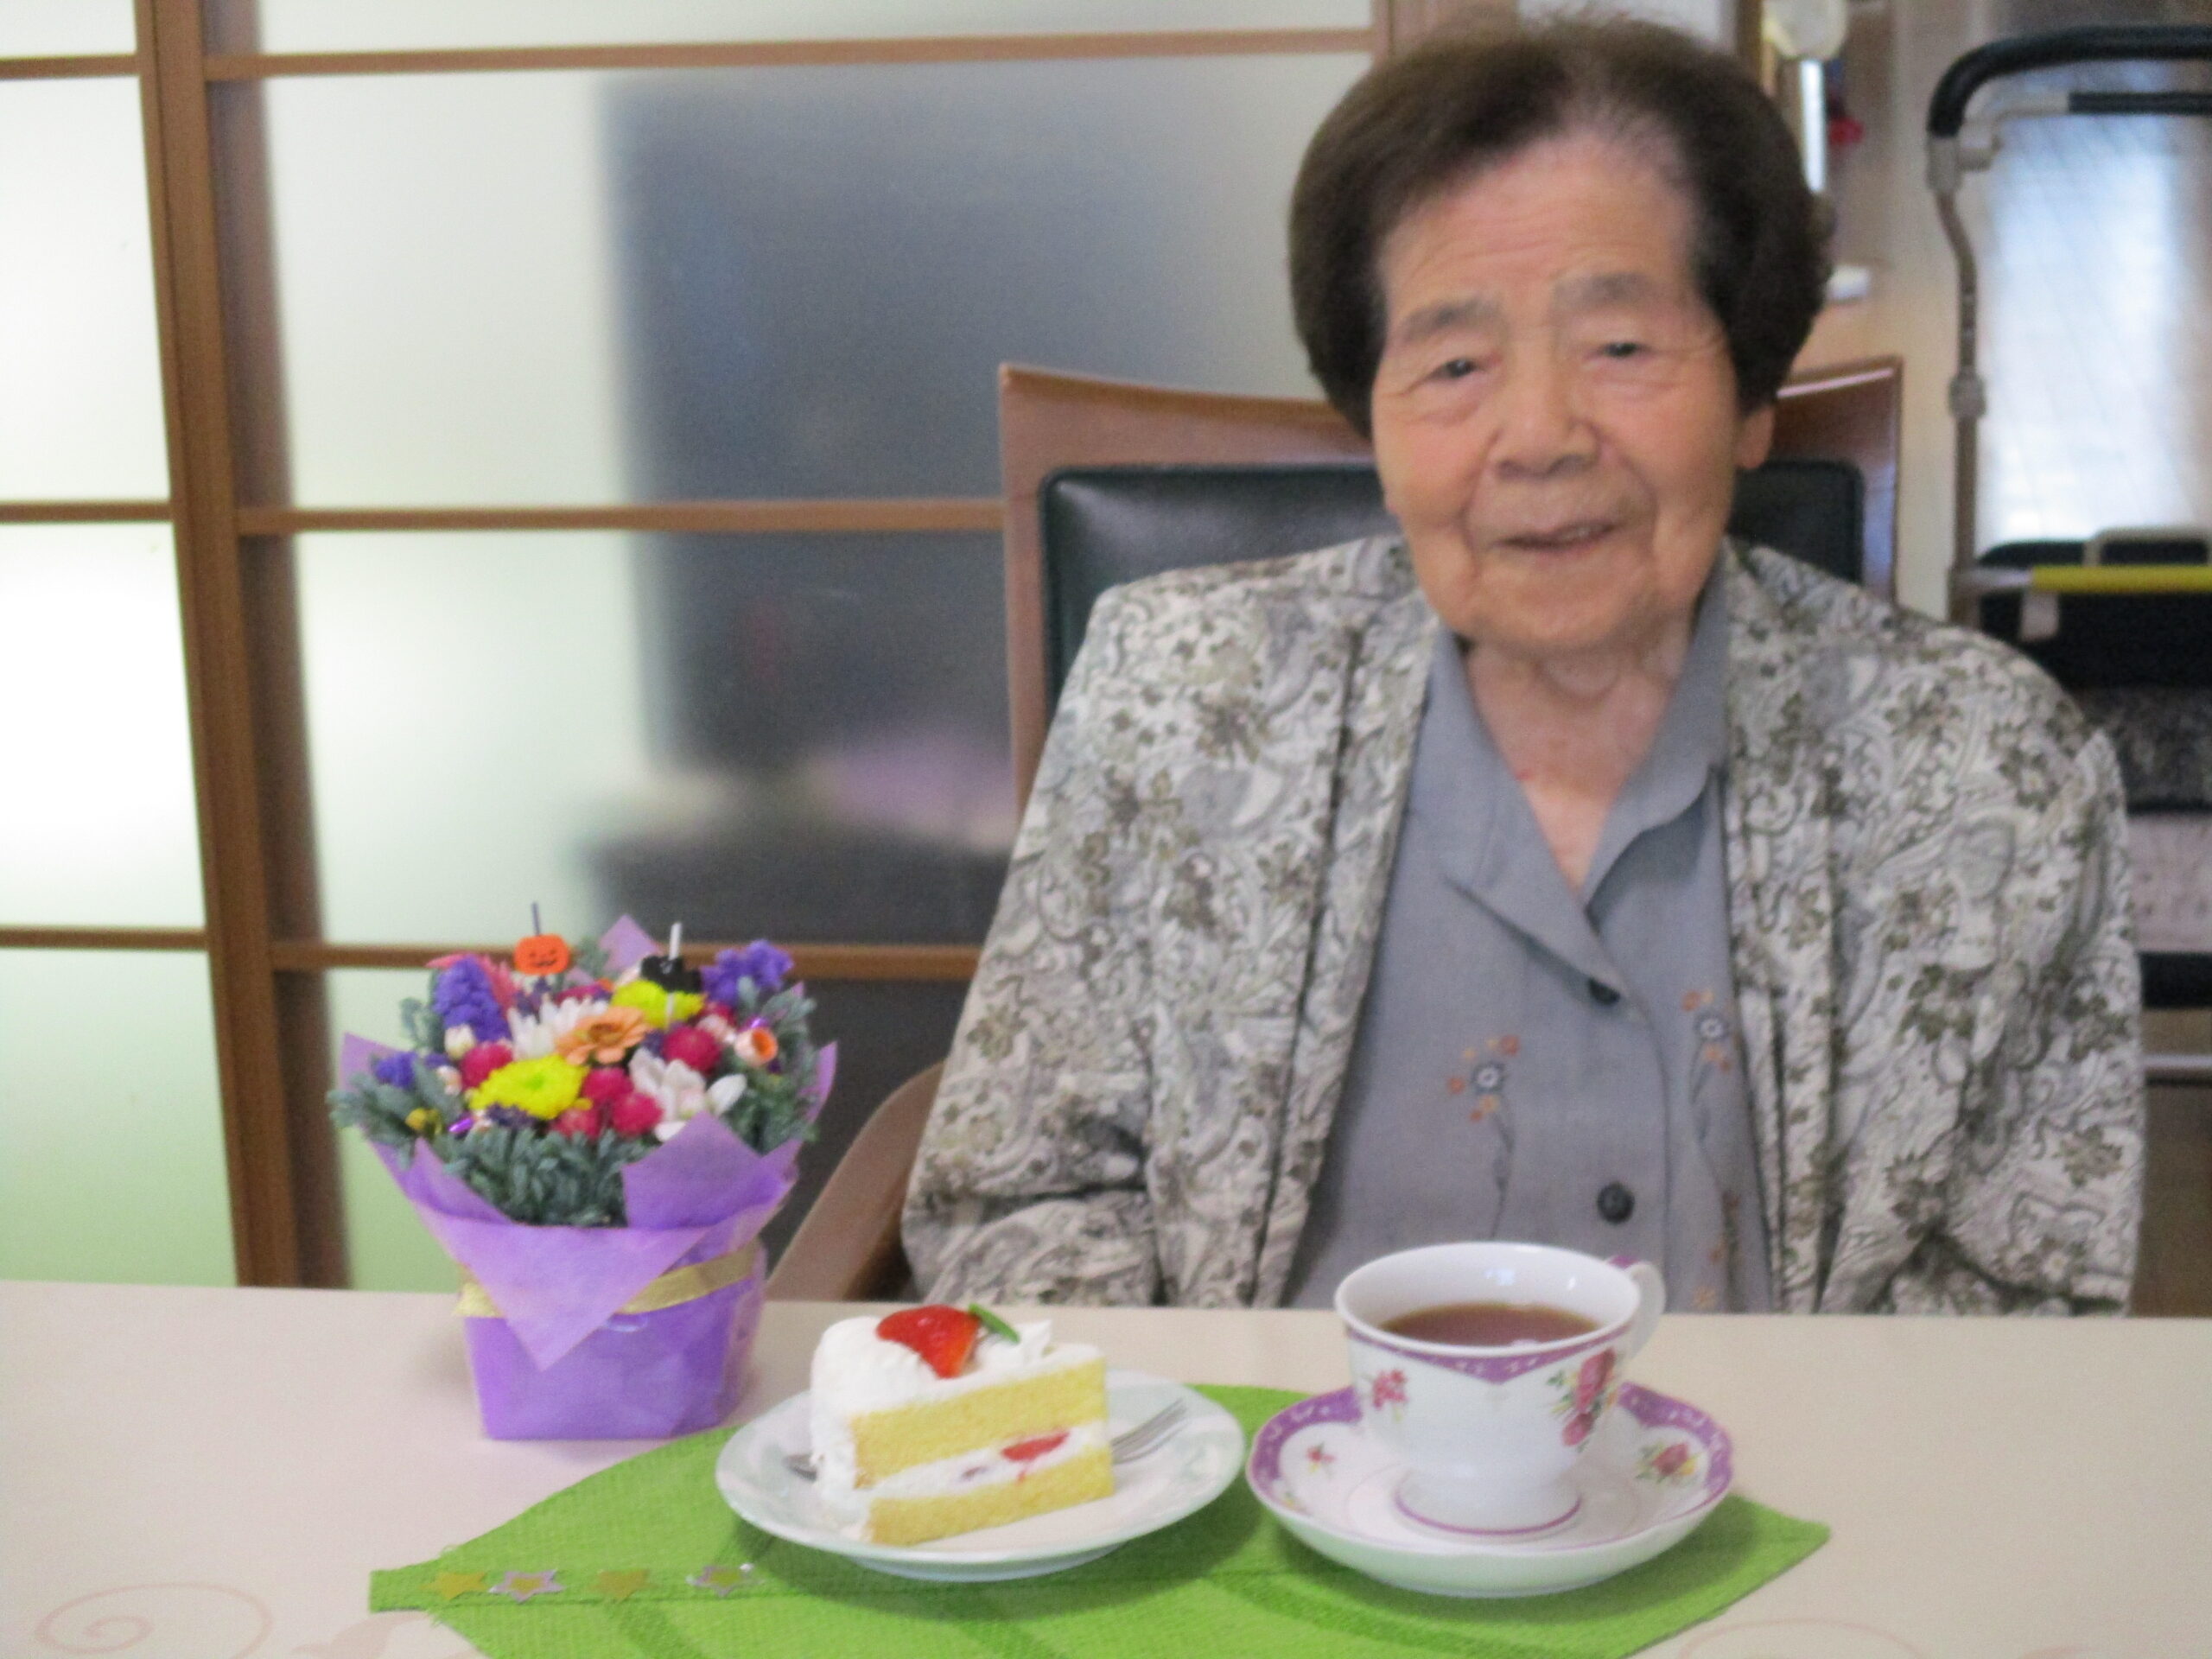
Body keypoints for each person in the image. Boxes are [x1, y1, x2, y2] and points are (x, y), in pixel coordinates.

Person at [903, 19, 2144, 1314]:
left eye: (1621, 347)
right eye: (1454, 364)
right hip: (1271, 1444)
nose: (1540, 435)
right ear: (1375, 425)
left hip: (1789, 1454)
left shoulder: (1993, 772)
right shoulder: (1176, 702)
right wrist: (1211, 1427)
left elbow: (2030, 1287)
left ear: (1751, 400)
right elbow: (1017, 1199)